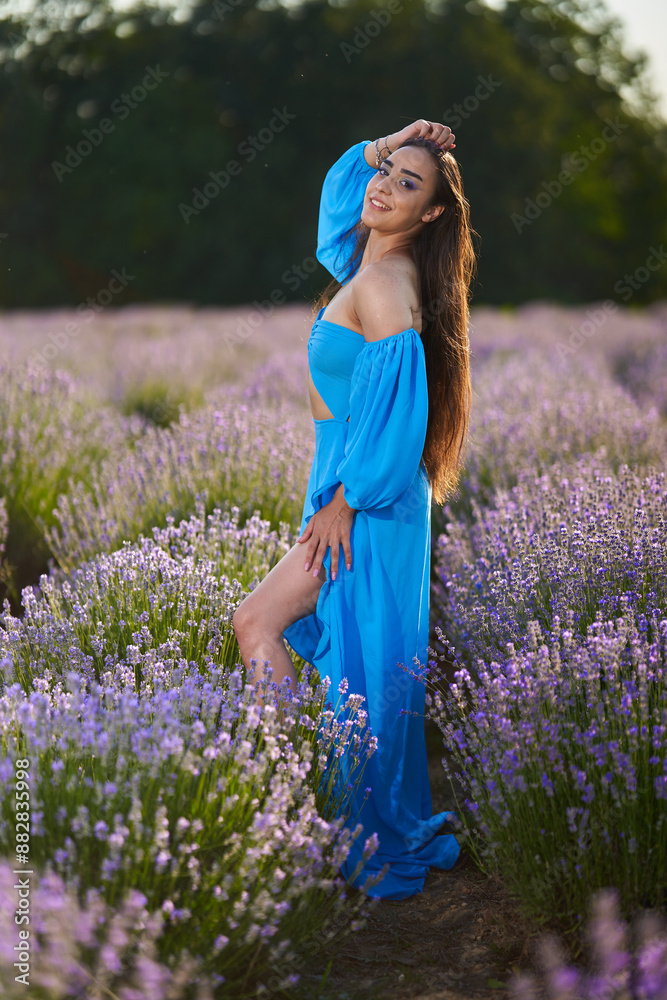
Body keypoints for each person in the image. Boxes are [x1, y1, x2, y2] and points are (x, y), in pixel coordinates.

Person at [233, 118, 477, 899]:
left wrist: (343, 500)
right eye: (386, 173)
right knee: (359, 668)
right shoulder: (366, 263)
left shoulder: (381, 285)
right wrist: (390, 143)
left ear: (432, 214)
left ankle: (297, 807)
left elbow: (398, 411)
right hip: (356, 490)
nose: (384, 186)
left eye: (409, 184)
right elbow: (339, 203)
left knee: (258, 623)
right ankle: (319, 808)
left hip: (363, 500)